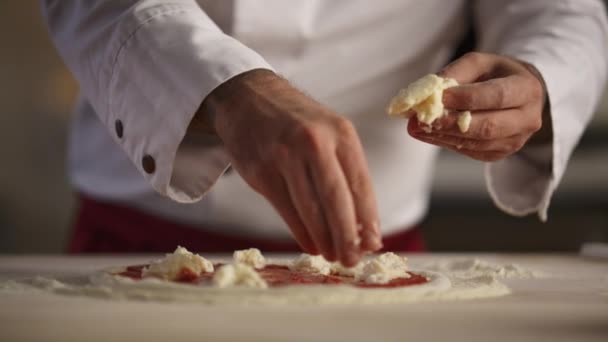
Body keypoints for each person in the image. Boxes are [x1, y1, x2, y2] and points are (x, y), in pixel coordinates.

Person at [41, 0, 607, 266]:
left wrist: (542, 75)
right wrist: (221, 88)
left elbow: (559, 9)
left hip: (376, 258)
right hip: (137, 241)